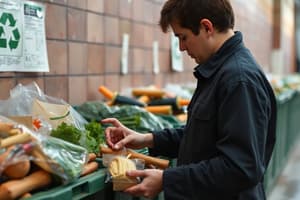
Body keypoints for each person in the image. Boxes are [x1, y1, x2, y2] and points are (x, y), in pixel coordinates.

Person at [102, 0, 277, 199]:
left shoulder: (238, 80)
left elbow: (240, 167)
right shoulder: (221, 72)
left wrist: (167, 180)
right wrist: (147, 139)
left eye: (183, 37)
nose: (181, 48)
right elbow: (203, 136)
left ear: (206, 27)